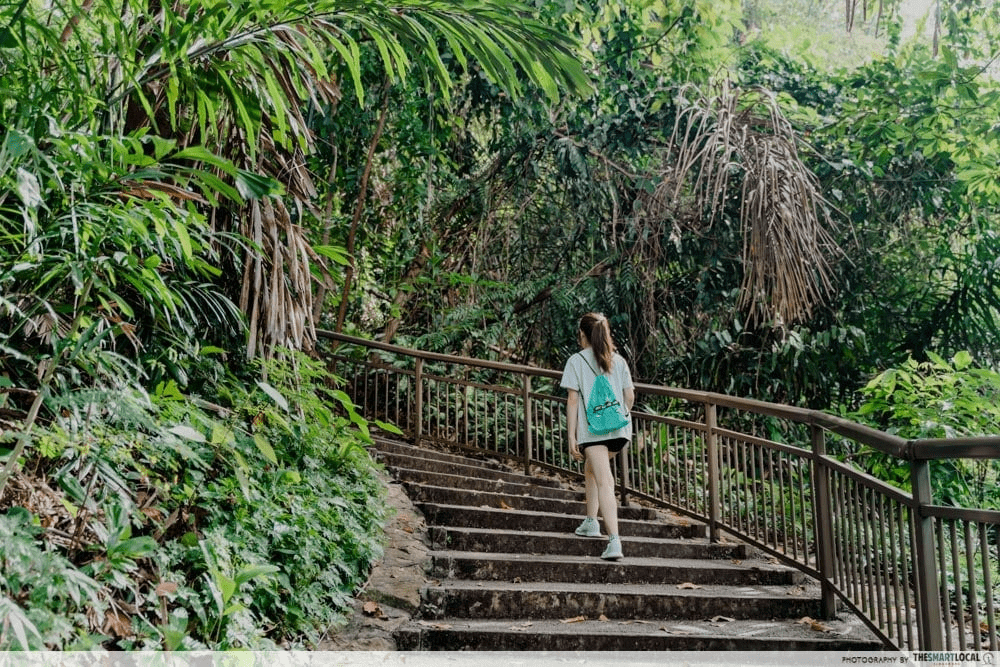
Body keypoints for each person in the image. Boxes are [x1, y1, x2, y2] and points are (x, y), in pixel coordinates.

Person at [560, 312, 634, 560]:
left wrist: (571, 435)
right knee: (591, 469)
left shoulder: (576, 361)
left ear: (583, 335)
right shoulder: (618, 360)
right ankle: (591, 521)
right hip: (620, 430)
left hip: (593, 431)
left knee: (605, 481)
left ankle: (614, 541)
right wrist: (617, 416)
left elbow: (572, 400)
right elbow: (630, 397)